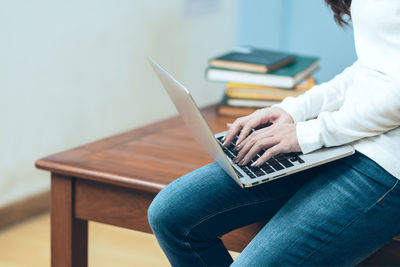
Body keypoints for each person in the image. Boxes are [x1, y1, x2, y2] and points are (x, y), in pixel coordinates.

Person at [147, 0, 400, 265]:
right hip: (343, 141)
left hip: (386, 166)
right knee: (170, 215)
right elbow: (374, 66)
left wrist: (309, 133)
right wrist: (293, 110)